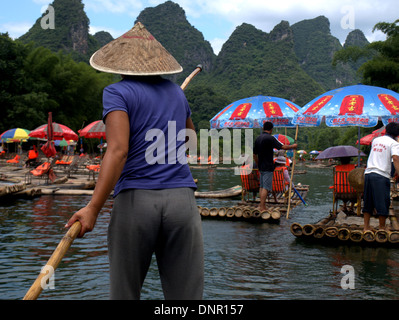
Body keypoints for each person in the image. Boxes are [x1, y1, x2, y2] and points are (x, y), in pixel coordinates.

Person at [65, 22, 203, 300]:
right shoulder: (177, 93)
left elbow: (118, 151)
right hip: (182, 202)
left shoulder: (117, 93)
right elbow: (191, 142)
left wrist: (93, 208)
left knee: (125, 294)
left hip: (136, 201)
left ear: (120, 63)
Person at [253, 122, 297, 211]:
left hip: (261, 166)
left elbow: (254, 154)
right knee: (265, 187)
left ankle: (260, 205)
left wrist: (258, 164)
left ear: (263, 128)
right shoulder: (270, 138)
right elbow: (283, 147)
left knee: (261, 186)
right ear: (271, 129)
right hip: (268, 166)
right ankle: (262, 207)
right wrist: (293, 146)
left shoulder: (258, 138)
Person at [363, 122, 399, 231]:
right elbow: (396, 159)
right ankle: (382, 227)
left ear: (386, 130)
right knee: (383, 201)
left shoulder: (376, 140)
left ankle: (366, 227)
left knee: (368, 201)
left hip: (368, 173)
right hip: (381, 175)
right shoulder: (394, 144)